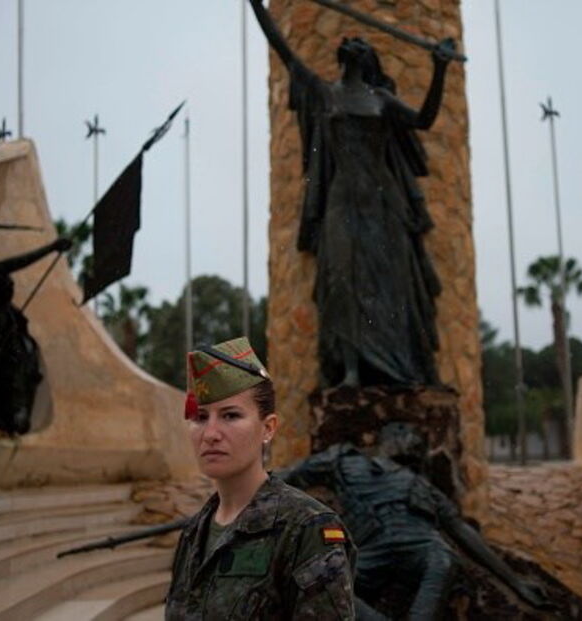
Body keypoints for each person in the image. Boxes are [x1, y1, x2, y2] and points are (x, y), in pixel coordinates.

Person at [247, 0, 457, 388]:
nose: (354, 40)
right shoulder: (324, 94)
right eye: (351, 39)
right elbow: (282, 46)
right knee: (342, 280)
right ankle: (350, 370)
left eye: (362, 41)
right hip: (342, 200)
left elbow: (424, 119)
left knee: (388, 282)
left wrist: (440, 68)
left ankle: (403, 366)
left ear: (369, 58)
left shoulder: (381, 99)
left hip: (384, 201)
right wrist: (255, 6)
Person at [165, 337, 357, 620]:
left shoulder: (306, 529)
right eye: (201, 417)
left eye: (230, 416)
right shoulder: (194, 534)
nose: (210, 433)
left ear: (268, 428)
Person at [279, 423, 551, 619]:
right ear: (387, 437)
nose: (411, 441)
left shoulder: (420, 483)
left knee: (444, 559)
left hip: (421, 543)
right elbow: (292, 474)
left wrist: (516, 582)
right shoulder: (342, 459)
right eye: (404, 433)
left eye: (415, 439)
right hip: (370, 546)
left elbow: (460, 530)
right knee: (325, 579)